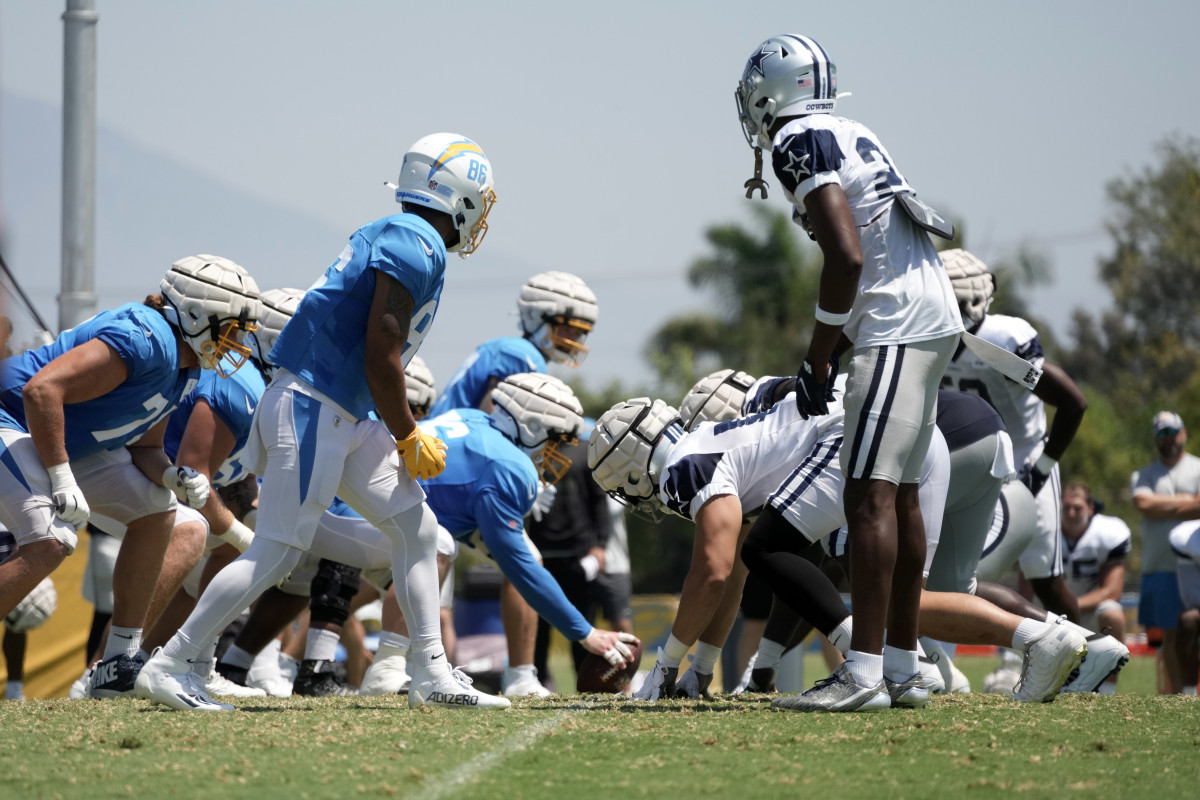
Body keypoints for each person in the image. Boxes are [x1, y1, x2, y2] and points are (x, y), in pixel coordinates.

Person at [136, 132, 510, 711]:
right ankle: (173, 661)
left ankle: (429, 673)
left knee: (420, 531)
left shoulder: (396, 234)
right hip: (316, 404)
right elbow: (380, 353)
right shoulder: (417, 242)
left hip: (336, 408)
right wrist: (408, 433)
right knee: (278, 551)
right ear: (455, 193)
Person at [590, 388, 1087, 710]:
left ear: (631, 469)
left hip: (855, 437)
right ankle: (1033, 637)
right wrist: (699, 669)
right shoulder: (709, 446)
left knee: (767, 550)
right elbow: (732, 578)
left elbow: (715, 571)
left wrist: (666, 665)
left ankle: (861, 662)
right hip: (911, 432)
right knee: (899, 598)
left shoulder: (683, 466)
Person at [734, 34, 964, 704]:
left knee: (868, 496)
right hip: (930, 314)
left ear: (772, 90)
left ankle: (864, 670)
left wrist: (818, 351)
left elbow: (846, 255)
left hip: (895, 322)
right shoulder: (852, 128)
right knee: (902, 494)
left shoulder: (796, 138)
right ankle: (900, 665)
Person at [0, 255, 261, 699]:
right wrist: (62, 480)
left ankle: (116, 663)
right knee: (51, 539)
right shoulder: (147, 337)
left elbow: (146, 448)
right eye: (231, 330)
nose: (236, 345)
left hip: (64, 442)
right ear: (197, 314)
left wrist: (173, 477)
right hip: (16, 421)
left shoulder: (185, 365)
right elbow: (41, 392)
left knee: (173, 516)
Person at [418, 373, 637, 696]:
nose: (556, 450)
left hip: (381, 500)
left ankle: (521, 675)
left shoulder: (475, 417)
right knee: (438, 546)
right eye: (554, 438)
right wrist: (585, 633)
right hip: (367, 510)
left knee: (441, 543)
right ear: (531, 426)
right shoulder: (509, 464)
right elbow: (520, 569)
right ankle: (395, 667)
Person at [429, 271, 598, 416]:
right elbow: (491, 420)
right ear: (535, 317)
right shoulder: (522, 355)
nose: (573, 339)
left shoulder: (515, 349)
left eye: (579, 333)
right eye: (567, 329)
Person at [527, 420, 614, 686]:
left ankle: (588, 683)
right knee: (538, 628)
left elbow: (600, 501)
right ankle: (535, 683)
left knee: (583, 621)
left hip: (578, 553)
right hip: (540, 552)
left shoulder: (586, 450)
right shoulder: (531, 451)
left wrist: (600, 544)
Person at [1130, 410, 1200, 694]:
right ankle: (1176, 697)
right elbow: (1144, 505)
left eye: (1172, 432)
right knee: (1170, 636)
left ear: (1183, 433)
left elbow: (1155, 505)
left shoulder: (1197, 467)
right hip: (1160, 566)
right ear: (1155, 439)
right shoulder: (1143, 475)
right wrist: (1189, 501)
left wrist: (1164, 506)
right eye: (1162, 434)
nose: (1168, 439)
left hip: (1194, 565)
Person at [1058, 482, 1130, 694]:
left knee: (1113, 614)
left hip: (1088, 610)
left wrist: (1070, 606)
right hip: (1049, 609)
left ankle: (1108, 689)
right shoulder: (1045, 529)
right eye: (1066, 507)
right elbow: (1027, 582)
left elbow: (1111, 591)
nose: (1071, 513)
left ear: (1091, 508)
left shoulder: (1108, 532)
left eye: (1077, 507)